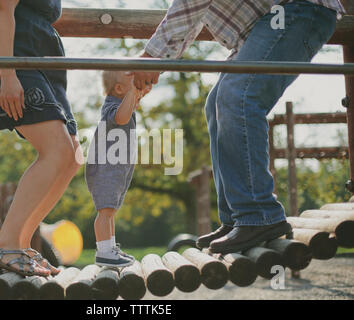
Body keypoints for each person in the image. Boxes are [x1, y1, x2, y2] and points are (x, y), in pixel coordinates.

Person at [133, 0, 345, 254]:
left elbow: (191, 4)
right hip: (271, 21)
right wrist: (157, 61)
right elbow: (192, 18)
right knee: (217, 102)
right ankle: (236, 217)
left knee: (238, 96)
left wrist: (151, 57)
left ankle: (259, 214)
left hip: (299, 9)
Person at [0, 0, 82, 276]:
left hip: (41, 62)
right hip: (14, 59)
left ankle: (20, 243)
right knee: (55, 150)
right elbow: (0, 8)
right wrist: (7, 73)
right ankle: (4, 243)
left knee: (72, 156)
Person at [85, 71, 151, 267]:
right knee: (105, 211)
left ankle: (110, 248)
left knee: (110, 211)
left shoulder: (123, 102)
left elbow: (132, 105)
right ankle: (104, 252)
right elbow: (121, 118)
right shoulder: (112, 106)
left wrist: (139, 92)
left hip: (115, 170)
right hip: (105, 169)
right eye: (132, 83)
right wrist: (133, 94)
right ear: (120, 89)